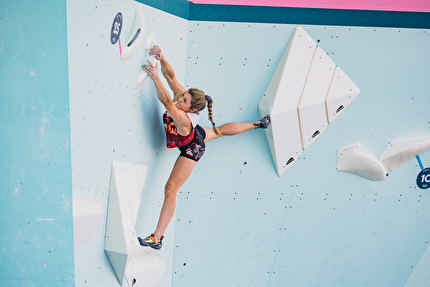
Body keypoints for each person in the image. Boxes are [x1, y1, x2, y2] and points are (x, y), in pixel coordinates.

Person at [138, 45, 270, 250]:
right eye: (182, 97)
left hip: (192, 147)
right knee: (219, 132)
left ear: (191, 109)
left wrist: (155, 77)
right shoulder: (185, 99)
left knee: (170, 188)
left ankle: (157, 238)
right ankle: (258, 124)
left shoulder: (182, 117)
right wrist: (162, 58)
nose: (179, 99)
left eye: (184, 100)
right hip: (196, 132)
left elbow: (165, 100)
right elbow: (171, 78)